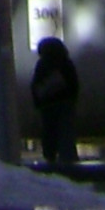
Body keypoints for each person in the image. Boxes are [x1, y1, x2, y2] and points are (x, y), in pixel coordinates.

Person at [31, 35, 80, 170]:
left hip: (47, 106)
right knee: (66, 135)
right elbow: (74, 85)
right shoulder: (66, 63)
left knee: (49, 134)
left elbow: (35, 86)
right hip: (65, 104)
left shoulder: (42, 65)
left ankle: (50, 160)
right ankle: (69, 163)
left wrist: (39, 102)